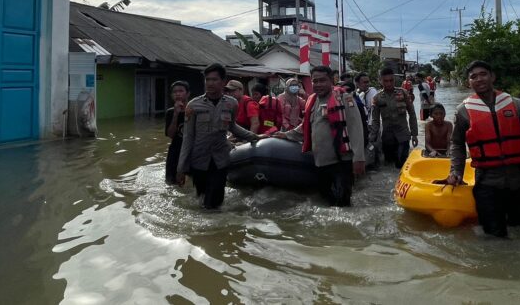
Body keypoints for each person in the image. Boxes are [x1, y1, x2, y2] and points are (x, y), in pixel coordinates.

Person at [446, 60, 520, 238]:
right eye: (474, 76)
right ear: (468, 82)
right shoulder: (463, 111)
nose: (479, 79)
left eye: (483, 74)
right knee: (494, 237)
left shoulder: (516, 104)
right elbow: (457, 144)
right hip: (487, 182)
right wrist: (456, 172)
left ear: (492, 77)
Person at [274, 65, 365, 206]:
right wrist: (285, 135)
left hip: (341, 162)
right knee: (325, 201)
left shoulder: (344, 99)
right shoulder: (312, 100)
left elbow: (356, 129)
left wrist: (359, 158)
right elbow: (305, 127)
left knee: (343, 204)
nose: (318, 84)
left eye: (322, 80)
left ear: (331, 81)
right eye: (315, 81)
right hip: (320, 162)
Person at [177, 63, 262, 209]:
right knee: (202, 198)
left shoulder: (231, 104)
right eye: (207, 79)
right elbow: (188, 138)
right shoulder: (193, 106)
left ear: (223, 81)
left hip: (220, 159)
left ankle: (216, 228)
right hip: (199, 160)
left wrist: (253, 137)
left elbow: (232, 126)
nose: (210, 83)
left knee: (215, 201)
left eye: (214, 79)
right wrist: (181, 168)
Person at [370, 67, 418, 168]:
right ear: (380, 81)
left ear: (394, 80)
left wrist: (414, 134)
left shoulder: (403, 93)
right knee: (388, 164)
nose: (388, 83)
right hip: (387, 137)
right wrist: (372, 138)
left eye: (391, 80)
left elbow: (412, 114)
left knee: (401, 164)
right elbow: (375, 120)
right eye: (385, 81)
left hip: (403, 135)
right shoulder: (377, 98)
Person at [164, 80, 190, 184]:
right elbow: (170, 135)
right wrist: (176, 114)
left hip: (191, 150)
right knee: (171, 183)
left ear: (188, 93)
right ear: (171, 95)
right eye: (174, 92)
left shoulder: (194, 110)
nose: (177, 94)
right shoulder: (170, 112)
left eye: (181, 91)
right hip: (175, 151)